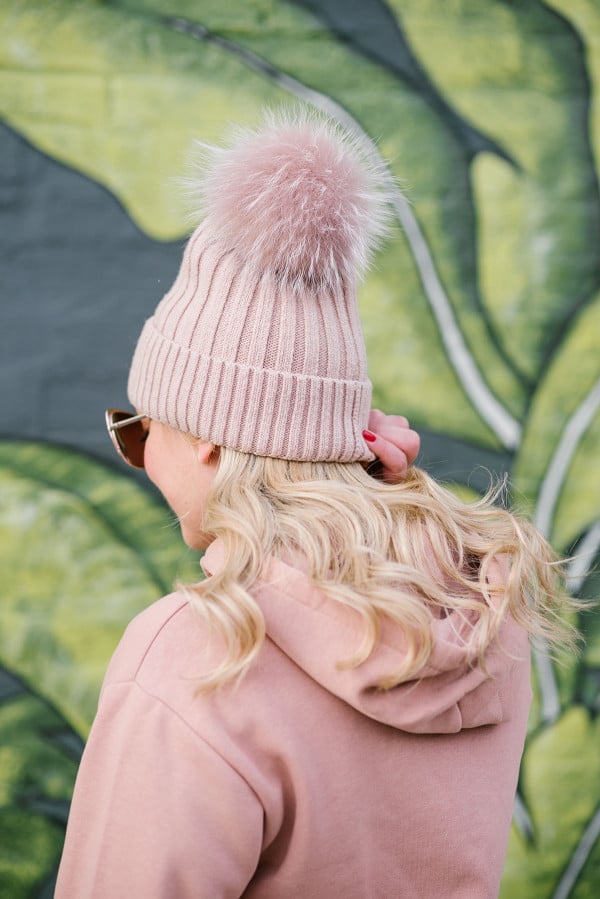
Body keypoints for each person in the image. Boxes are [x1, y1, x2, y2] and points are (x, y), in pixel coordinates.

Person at [56, 112, 574, 898]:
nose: (135, 456)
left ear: (211, 441)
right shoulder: (479, 617)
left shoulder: (199, 654)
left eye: (140, 429)